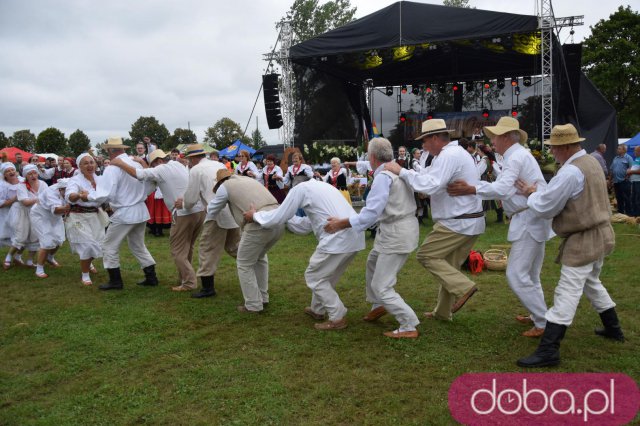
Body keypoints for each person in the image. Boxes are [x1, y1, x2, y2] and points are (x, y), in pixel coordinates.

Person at [515, 124, 624, 368]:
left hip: (584, 238)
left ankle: (549, 349)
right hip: (601, 233)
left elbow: (546, 207)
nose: (552, 152)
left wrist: (532, 194)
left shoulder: (571, 172)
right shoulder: (592, 161)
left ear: (564, 147)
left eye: (554, 148)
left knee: (567, 291)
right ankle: (613, 328)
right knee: (592, 283)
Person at [447, 117, 553, 337]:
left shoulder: (516, 157)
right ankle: (539, 316)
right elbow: (505, 185)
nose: (492, 140)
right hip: (532, 218)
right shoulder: (518, 156)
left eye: (495, 136)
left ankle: (543, 322)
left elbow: (503, 189)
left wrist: (472, 189)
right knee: (531, 275)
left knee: (516, 275)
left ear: (505, 137)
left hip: (528, 220)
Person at [385, 119, 484, 322]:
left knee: (426, 255)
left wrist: (400, 171)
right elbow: (430, 178)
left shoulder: (449, 155)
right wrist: (411, 175)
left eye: (425, 141)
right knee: (449, 265)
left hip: (458, 221)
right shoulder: (450, 155)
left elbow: (431, 184)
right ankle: (442, 312)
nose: (423, 146)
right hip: (468, 220)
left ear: (436, 138)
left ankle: (464, 287)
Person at [325, 137, 420, 339]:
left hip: (396, 233)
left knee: (381, 285)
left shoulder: (384, 177)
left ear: (372, 157)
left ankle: (408, 323)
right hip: (398, 229)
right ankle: (379, 304)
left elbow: (370, 214)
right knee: (372, 261)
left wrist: (340, 224)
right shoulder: (396, 171)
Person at [244, 179, 365, 330]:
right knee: (326, 276)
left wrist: (255, 216)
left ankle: (337, 317)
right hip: (354, 237)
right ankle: (317, 309)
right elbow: (307, 224)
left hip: (338, 238)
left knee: (314, 276)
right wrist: (285, 219)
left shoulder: (300, 189)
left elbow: (278, 217)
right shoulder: (323, 187)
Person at [110, 149, 206, 293]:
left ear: (159, 162)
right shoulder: (177, 165)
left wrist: (120, 163)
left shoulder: (161, 169)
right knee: (188, 247)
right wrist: (143, 162)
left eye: (152, 164)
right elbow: (152, 173)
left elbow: (139, 174)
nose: (153, 168)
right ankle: (184, 278)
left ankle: (189, 282)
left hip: (183, 212)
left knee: (177, 250)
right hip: (198, 210)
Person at [80, 137, 158, 290]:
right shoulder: (135, 163)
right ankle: (151, 277)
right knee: (138, 245)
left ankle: (115, 281)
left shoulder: (112, 168)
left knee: (109, 245)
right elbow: (150, 187)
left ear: (110, 150)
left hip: (125, 212)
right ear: (122, 149)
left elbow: (105, 194)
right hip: (140, 210)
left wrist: (86, 196)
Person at [208, 169, 284, 313]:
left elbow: (212, 209)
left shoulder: (225, 186)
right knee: (260, 258)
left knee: (243, 263)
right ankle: (263, 297)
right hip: (278, 221)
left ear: (219, 183)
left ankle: (254, 305)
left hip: (257, 225)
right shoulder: (248, 180)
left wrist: (205, 210)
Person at [177, 144, 240, 298]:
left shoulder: (196, 170)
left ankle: (207, 288)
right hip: (232, 210)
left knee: (207, 249)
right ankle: (255, 263)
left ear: (192, 158)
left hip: (216, 213)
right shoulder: (218, 164)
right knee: (234, 246)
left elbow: (191, 197)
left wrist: (183, 204)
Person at [65, 153, 105, 286]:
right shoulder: (75, 180)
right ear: (80, 167)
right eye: (86, 163)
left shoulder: (100, 179)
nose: (90, 165)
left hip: (95, 215)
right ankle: (85, 274)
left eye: (92, 162)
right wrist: (78, 195)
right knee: (87, 245)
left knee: (100, 244)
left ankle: (89, 262)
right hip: (78, 216)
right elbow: (70, 196)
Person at [8, 164, 47, 268]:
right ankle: (8, 257)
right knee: (21, 236)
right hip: (23, 213)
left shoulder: (43, 184)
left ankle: (29, 260)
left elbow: (47, 198)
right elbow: (25, 202)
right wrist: (38, 199)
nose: (33, 175)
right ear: (25, 176)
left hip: (37, 213)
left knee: (36, 236)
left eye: (34, 173)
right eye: (30, 174)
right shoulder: (22, 185)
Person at [30, 178, 70, 278]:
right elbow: (56, 210)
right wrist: (67, 208)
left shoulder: (69, 190)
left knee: (59, 239)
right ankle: (39, 269)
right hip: (40, 215)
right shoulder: (51, 192)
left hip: (55, 217)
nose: (69, 193)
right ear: (61, 189)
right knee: (47, 242)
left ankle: (50, 258)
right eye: (66, 190)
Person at [1, 163, 21, 267]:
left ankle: (17, 257)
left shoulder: (22, 181)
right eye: (8, 171)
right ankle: (9, 258)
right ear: (4, 175)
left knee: (24, 236)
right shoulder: (2, 186)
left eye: (12, 170)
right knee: (14, 236)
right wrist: (15, 198)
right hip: (6, 214)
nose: (11, 172)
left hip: (23, 212)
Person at [609, 144, 633, 215]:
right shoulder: (615, 158)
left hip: (624, 181)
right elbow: (612, 169)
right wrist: (610, 180)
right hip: (616, 181)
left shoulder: (629, 158)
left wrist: (627, 177)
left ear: (624, 150)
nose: (617, 150)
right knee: (619, 198)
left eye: (619, 149)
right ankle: (621, 212)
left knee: (626, 198)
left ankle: (629, 213)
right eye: (618, 148)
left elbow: (631, 169)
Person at [627, 146, 640, 216]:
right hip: (634, 181)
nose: (634, 152)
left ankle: (637, 214)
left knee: (637, 198)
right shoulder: (636, 159)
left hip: (638, 181)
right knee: (634, 198)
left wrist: (631, 171)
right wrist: (629, 171)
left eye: (635, 151)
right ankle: (634, 214)